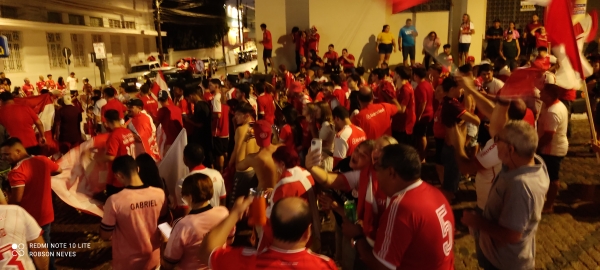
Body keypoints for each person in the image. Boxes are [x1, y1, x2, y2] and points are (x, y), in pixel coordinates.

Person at [344, 144, 455, 269]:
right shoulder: (435, 193)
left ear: (391, 172)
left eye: (377, 167)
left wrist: (357, 236)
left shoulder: (401, 207)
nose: (375, 174)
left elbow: (382, 266)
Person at [461, 121, 549, 270]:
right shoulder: (534, 162)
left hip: (504, 263)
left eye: (497, 140)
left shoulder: (520, 187)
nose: (493, 145)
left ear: (510, 149)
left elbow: (512, 235)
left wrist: (477, 222)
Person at [200, 196, 337, 269]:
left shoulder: (247, 260)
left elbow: (206, 251)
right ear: (308, 232)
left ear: (270, 227)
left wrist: (235, 213)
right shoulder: (325, 265)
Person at [100, 155, 170, 270]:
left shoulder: (114, 201)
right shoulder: (159, 194)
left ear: (118, 175)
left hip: (127, 262)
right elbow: (164, 224)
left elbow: (105, 234)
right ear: (137, 169)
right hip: (153, 259)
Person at [2, 137, 62, 270]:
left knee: (31, 250)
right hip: (46, 213)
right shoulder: (43, 160)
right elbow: (59, 170)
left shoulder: (17, 172)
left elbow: (17, 199)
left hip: (29, 218)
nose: (4, 158)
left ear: (18, 151)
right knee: (45, 244)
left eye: (7, 154)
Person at [162, 173, 230, 270]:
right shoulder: (224, 212)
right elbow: (230, 240)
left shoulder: (183, 224)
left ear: (190, 197)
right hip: (218, 265)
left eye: (183, 195)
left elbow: (170, 262)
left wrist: (165, 243)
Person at [440, 76, 480, 198]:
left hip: (451, 145)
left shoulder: (450, 101)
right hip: (453, 147)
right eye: (460, 88)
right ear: (452, 89)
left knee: (451, 179)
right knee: (450, 183)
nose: (462, 91)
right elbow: (476, 120)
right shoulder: (453, 105)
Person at [537, 84, 569, 213]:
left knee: (552, 178)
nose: (539, 93)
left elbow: (549, 135)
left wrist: (537, 147)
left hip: (552, 150)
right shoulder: (550, 106)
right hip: (550, 148)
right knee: (546, 176)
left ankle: (549, 205)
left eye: (542, 92)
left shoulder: (553, 111)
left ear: (549, 96)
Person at [176, 143, 227, 214]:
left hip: (194, 224)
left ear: (185, 160)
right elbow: (222, 202)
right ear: (203, 158)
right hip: (218, 220)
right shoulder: (217, 174)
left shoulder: (183, 182)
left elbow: (185, 213)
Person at [228, 102, 260, 207]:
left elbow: (236, 149)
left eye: (237, 115)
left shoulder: (241, 129)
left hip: (242, 171)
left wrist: (229, 164)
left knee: (236, 203)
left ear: (246, 115)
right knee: (250, 202)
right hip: (255, 170)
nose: (235, 117)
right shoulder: (258, 126)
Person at [103, 109, 135, 196]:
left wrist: (97, 158)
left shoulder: (114, 135)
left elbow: (111, 156)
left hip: (117, 178)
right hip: (130, 172)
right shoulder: (128, 131)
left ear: (108, 121)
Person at [184, 88, 213, 168]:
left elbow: (200, 124)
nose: (188, 101)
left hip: (202, 137)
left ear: (192, 96)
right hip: (206, 135)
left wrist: (188, 120)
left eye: (188, 98)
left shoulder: (199, 105)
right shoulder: (205, 103)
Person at [413, 67, 434, 161]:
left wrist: (418, 116)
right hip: (430, 112)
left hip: (424, 115)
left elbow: (423, 102)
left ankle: (423, 157)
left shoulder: (420, 87)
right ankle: (424, 154)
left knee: (422, 136)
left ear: (416, 76)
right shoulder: (427, 84)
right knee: (425, 135)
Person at [391, 66, 416, 145]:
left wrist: (391, 101)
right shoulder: (402, 87)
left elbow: (402, 109)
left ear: (398, 75)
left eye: (394, 73)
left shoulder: (405, 89)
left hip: (403, 124)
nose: (393, 75)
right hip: (401, 122)